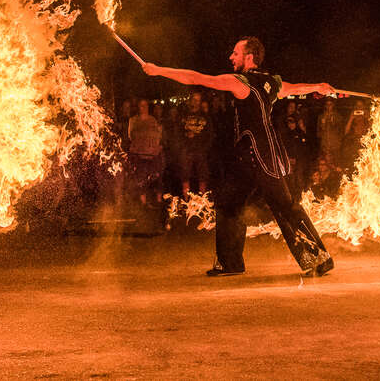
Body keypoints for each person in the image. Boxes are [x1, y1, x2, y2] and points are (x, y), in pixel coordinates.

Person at [142, 36, 336, 277]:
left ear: (249, 57)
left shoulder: (241, 82)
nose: (231, 57)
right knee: (228, 203)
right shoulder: (270, 83)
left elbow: (197, 78)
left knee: (285, 206)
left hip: (261, 157)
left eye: (235, 53)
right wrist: (318, 86)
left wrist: (159, 70)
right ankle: (230, 262)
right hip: (247, 159)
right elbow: (296, 88)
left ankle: (319, 258)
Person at [127, 98, 165, 206]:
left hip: (152, 154)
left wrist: (156, 147)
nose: (143, 108)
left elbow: (157, 136)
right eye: (141, 105)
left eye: (145, 105)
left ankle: (158, 201)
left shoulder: (153, 120)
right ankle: (143, 202)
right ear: (138, 107)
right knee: (141, 178)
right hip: (139, 154)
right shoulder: (133, 120)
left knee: (156, 177)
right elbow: (130, 136)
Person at [176, 91, 213, 198]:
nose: (195, 102)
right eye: (194, 99)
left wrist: (204, 147)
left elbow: (210, 134)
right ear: (190, 100)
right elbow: (177, 132)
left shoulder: (205, 117)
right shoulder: (183, 115)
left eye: (198, 100)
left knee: (202, 176)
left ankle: (202, 199)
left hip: (200, 150)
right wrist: (184, 139)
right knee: (185, 176)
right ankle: (186, 199)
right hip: (186, 150)